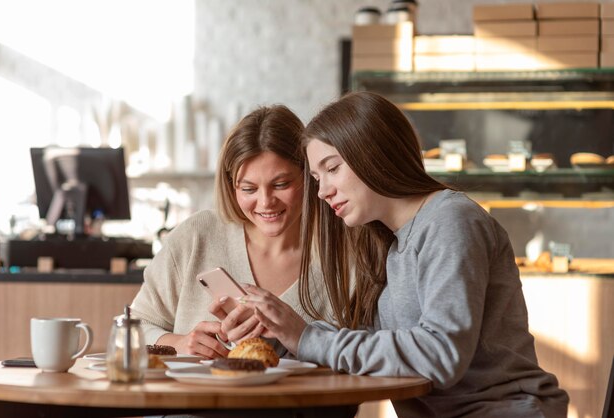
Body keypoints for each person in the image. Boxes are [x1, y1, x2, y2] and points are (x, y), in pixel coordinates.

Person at [242, 92, 570, 417]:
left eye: (332, 169)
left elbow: (441, 356)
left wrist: (308, 338)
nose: (323, 191)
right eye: (316, 178)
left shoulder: (450, 222)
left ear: (372, 153)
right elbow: (381, 344)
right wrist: (283, 334)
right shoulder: (394, 242)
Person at [130, 104, 331, 358]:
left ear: (308, 176)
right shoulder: (197, 235)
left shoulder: (338, 249)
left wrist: (299, 336)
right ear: (231, 186)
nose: (266, 202)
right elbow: (131, 328)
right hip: (197, 399)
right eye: (248, 189)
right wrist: (178, 344)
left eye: (281, 184)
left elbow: (365, 346)